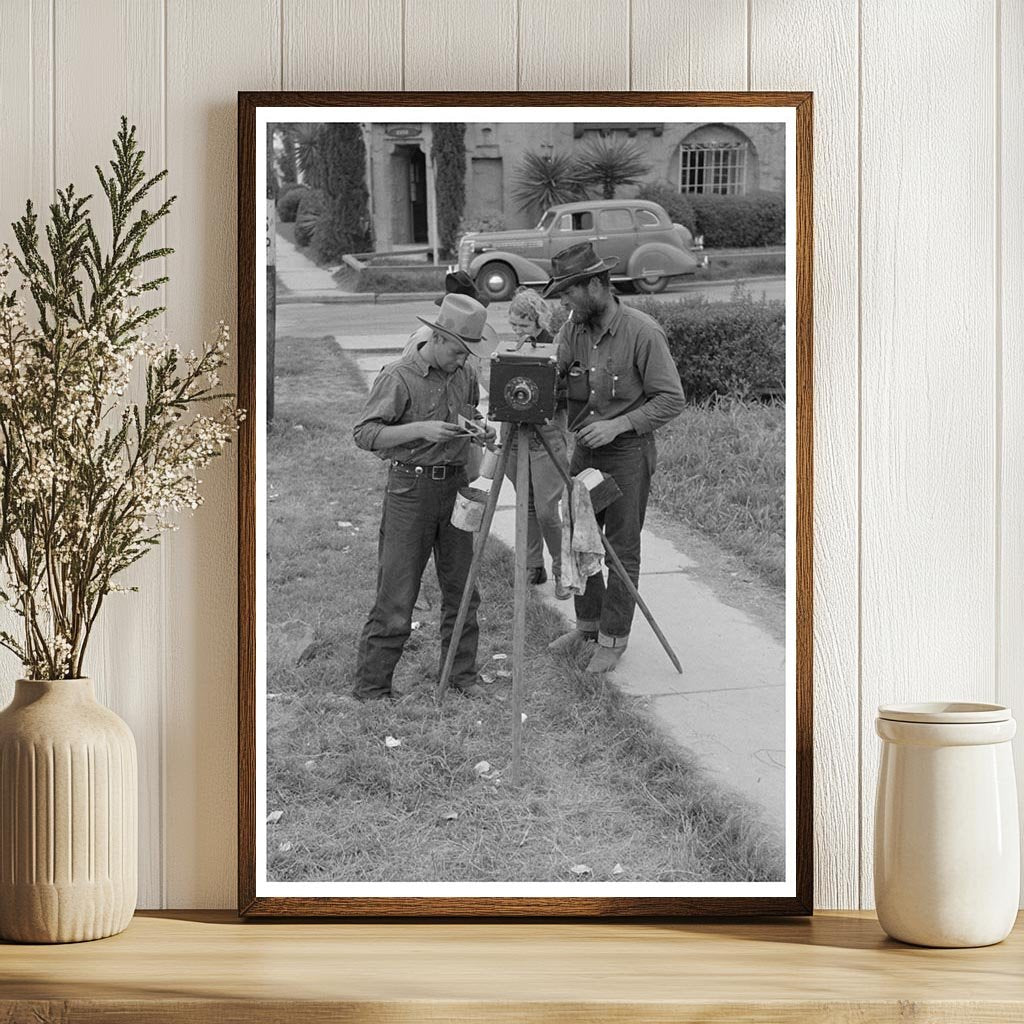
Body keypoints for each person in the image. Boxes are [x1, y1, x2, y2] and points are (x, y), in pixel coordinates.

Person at [544, 241, 685, 675]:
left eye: (569, 292)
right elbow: (556, 383)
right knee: (578, 538)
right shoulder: (573, 330)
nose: (564, 301)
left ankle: (612, 639)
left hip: (627, 453)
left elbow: (672, 399)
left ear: (594, 285)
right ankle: (587, 626)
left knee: (622, 549)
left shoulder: (643, 332)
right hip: (586, 450)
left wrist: (619, 425)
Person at [352, 293, 498, 700]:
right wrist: (422, 430)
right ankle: (373, 688)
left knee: (463, 589)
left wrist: (481, 430)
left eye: (469, 353)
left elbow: (471, 412)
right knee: (397, 593)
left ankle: (460, 676)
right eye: (458, 351)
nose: (464, 360)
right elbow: (365, 434)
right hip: (410, 491)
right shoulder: (398, 376)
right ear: (437, 337)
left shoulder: (464, 372)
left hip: (455, 488)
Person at [503, 287, 571, 600]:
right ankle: (533, 565)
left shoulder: (554, 346)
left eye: (524, 325)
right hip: (516, 435)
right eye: (514, 325)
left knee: (546, 510)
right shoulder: (510, 347)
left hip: (545, 437)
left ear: (538, 320)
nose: (518, 331)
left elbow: (563, 390)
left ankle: (562, 569)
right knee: (525, 503)